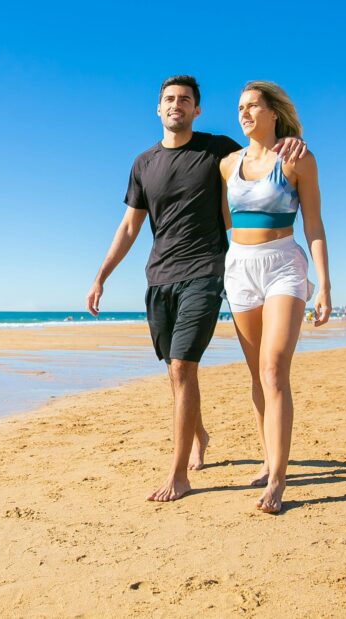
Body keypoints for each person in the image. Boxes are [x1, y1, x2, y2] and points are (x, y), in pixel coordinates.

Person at [86, 75, 306, 503]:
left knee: (184, 365)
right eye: (169, 99)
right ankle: (199, 433)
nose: (176, 105)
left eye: (185, 100)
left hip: (207, 270)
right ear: (158, 108)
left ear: (196, 109)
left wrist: (293, 142)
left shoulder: (216, 149)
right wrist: (100, 277)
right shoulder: (143, 163)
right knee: (175, 370)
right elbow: (129, 227)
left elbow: (263, 151)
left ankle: (178, 474)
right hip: (160, 276)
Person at [219, 81, 331, 514]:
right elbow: (223, 221)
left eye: (253, 106)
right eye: (240, 107)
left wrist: (324, 283)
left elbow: (314, 224)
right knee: (256, 374)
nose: (244, 114)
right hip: (239, 268)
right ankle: (269, 460)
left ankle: (278, 481)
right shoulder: (228, 165)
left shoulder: (297, 159)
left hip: (283, 264)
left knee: (273, 369)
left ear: (273, 113)